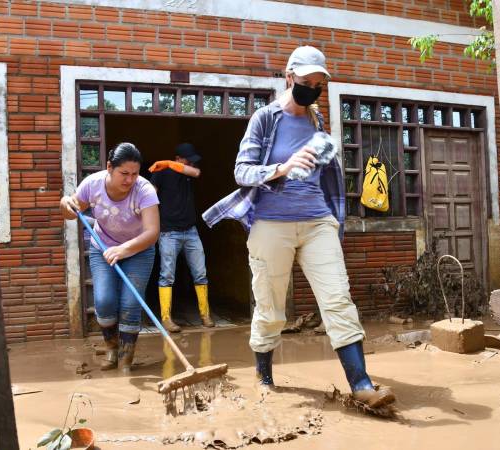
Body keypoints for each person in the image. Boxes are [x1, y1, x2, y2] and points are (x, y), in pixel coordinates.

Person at [203, 46, 396, 408]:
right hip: (271, 225)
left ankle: (362, 384)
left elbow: (323, 174)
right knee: (270, 306)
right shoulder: (265, 118)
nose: (313, 88)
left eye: (319, 83)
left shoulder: (317, 122)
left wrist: (322, 165)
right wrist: (282, 167)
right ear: (289, 77)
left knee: (338, 298)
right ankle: (264, 375)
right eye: (306, 82)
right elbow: (241, 171)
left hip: (316, 221)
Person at [60, 143, 160, 372]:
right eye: (124, 173)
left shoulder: (145, 191)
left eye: (134, 174)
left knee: (131, 303)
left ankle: (126, 359)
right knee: (104, 301)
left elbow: (152, 232)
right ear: (109, 168)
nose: (129, 180)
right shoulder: (92, 185)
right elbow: (71, 212)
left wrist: (125, 249)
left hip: (138, 250)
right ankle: (111, 349)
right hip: (102, 248)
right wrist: (65, 203)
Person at [148, 143, 213, 332]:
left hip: (191, 231)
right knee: (167, 275)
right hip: (169, 232)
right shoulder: (161, 173)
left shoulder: (187, 173)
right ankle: (166, 318)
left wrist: (168, 162)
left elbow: (197, 173)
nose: (192, 164)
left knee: (200, 273)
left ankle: (205, 315)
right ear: (178, 158)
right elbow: (150, 196)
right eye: (188, 160)